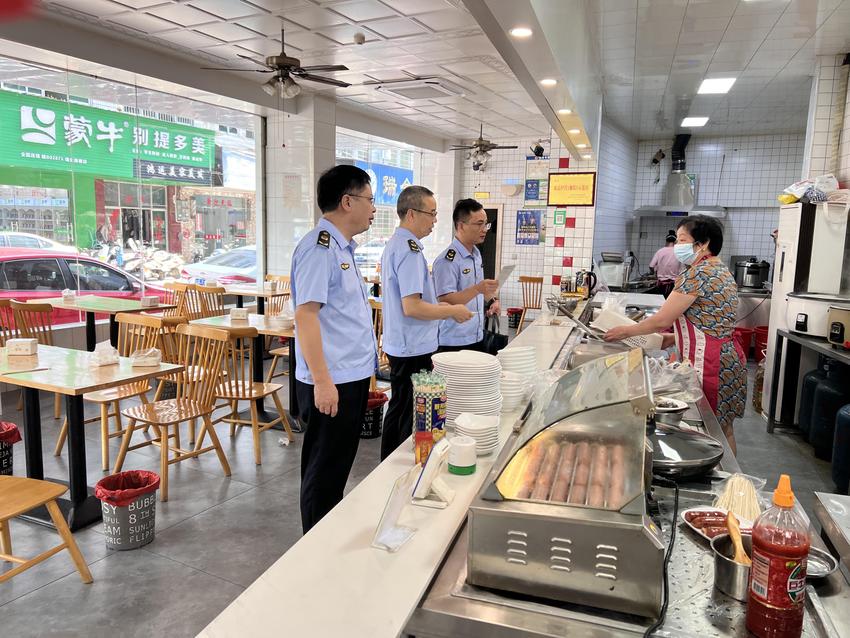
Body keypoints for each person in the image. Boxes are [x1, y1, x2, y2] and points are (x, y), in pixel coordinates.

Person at [604, 215, 746, 454]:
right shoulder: (720, 270)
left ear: (702, 244)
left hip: (709, 363)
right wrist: (675, 338)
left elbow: (662, 320)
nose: (677, 246)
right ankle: (731, 483)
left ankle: (720, 482)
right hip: (728, 358)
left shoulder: (696, 274)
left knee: (709, 430)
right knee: (723, 429)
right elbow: (708, 320)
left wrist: (625, 331)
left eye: (682, 240)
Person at [291, 165, 378, 533]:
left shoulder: (342, 249)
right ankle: (313, 545)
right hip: (333, 381)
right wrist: (323, 382)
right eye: (370, 200)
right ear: (347, 201)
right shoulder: (319, 248)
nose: (374, 208)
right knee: (324, 469)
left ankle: (325, 535)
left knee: (338, 465)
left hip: (350, 376)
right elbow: (306, 316)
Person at [380, 185, 473, 460]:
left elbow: (415, 301)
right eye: (431, 214)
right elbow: (412, 307)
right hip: (412, 346)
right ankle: (394, 468)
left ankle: (394, 463)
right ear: (411, 214)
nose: (434, 221)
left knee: (401, 408)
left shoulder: (399, 245)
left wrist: (442, 306)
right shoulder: (408, 250)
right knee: (407, 413)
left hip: (407, 343)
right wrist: (451, 311)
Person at [432, 198, 500, 352]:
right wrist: (478, 289)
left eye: (486, 224)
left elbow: (480, 289)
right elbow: (446, 299)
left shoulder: (476, 254)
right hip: (453, 340)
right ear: (461, 226)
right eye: (479, 224)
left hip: (476, 334)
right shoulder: (447, 260)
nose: (484, 229)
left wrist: (493, 300)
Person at [649, 230, 681, 297]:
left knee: (661, 303)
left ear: (666, 241)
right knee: (671, 304)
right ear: (676, 241)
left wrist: (653, 272)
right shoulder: (679, 252)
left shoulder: (660, 251)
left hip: (662, 284)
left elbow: (651, 266)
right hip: (675, 285)